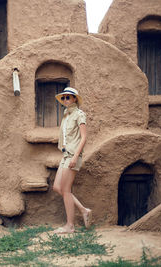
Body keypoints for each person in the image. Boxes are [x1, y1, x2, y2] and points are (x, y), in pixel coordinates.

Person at [53, 87, 92, 234]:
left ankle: (70, 226)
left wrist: (76, 156)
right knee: (57, 187)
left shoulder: (79, 114)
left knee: (66, 190)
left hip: (73, 155)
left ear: (75, 99)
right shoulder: (66, 115)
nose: (65, 100)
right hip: (65, 155)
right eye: (63, 98)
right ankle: (83, 210)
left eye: (68, 97)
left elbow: (83, 137)